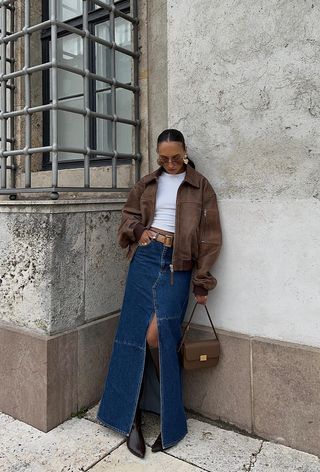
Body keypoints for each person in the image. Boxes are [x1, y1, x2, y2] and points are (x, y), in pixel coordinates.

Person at [96, 128, 222, 458]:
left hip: (178, 265)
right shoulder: (148, 183)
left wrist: (202, 280)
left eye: (175, 157)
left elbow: (210, 238)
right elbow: (128, 217)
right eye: (163, 158)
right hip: (146, 258)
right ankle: (130, 418)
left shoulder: (200, 185)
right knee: (132, 335)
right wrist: (140, 231)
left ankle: (171, 421)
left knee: (158, 335)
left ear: (185, 152)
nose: (169, 163)